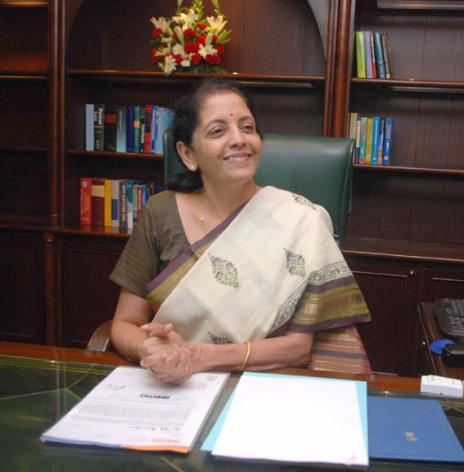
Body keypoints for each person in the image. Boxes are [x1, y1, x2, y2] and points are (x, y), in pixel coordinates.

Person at [109, 78, 371, 384]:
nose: (238, 139)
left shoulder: (301, 220)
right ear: (188, 154)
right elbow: (124, 323)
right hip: (174, 384)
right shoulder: (160, 212)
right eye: (218, 131)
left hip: (265, 385)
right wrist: (150, 348)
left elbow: (297, 349)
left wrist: (199, 356)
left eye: (247, 127)